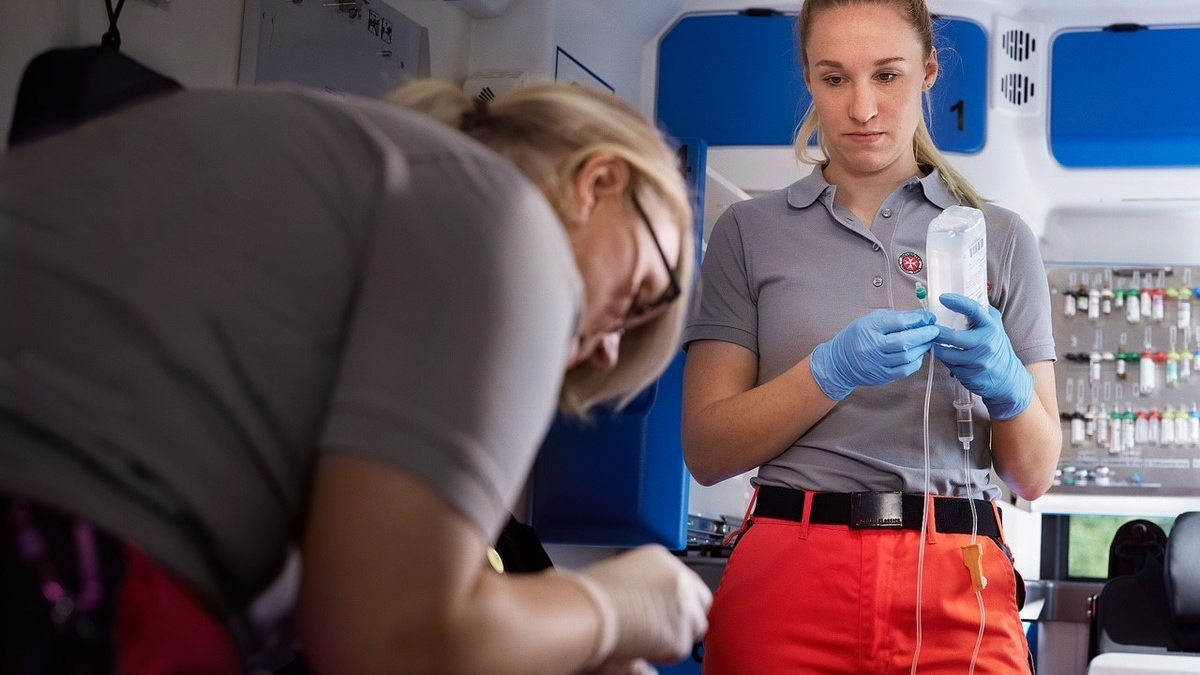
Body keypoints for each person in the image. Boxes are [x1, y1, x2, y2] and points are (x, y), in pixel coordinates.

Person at [0, 78, 712, 675]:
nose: (609, 353)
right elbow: (396, 640)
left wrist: (545, 636)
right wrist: (618, 607)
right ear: (600, 182)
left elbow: (336, 601)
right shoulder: (509, 220)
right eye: (645, 293)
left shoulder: (353, 175)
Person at [680, 1, 1061, 673]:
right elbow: (708, 451)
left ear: (928, 73)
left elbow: (1032, 474)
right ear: (808, 80)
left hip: (956, 575)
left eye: (887, 76)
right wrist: (827, 371)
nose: (861, 108)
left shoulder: (997, 237)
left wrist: (1008, 386)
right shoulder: (748, 232)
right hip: (790, 574)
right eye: (834, 79)